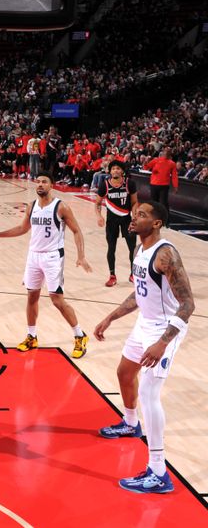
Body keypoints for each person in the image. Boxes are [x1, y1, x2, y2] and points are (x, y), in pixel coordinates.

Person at [94, 202, 195, 493]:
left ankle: (158, 472)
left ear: (157, 223)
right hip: (144, 323)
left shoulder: (166, 254)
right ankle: (129, 423)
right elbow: (141, 291)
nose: (134, 217)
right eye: (134, 213)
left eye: (142, 215)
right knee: (125, 373)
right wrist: (111, 316)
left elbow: (188, 304)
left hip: (165, 329)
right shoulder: (141, 250)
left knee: (150, 395)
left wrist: (163, 342)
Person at [0, 172, 92, 358]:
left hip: (52, 257)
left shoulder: (61, 207)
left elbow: (77, 231)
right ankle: (32, 336)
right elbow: (22, 228)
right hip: (33, 256)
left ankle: (80, 335)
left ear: (52, 185)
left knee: (57, 300)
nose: (40, 184)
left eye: (44, 182)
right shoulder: (32, 206)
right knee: (32, 297)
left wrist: (81, 256)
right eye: (38, 182)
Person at [95, 160, 138, 287]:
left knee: (132, 248)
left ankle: (133, 274)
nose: (115, 171)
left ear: (122, 171)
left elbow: (135, 202)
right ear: (110, 171)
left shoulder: (130, 184)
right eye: (113, 168)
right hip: (111, 221)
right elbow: (97, 203)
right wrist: (99, 216)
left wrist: (135, 216)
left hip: (127, 220)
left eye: (118, 169)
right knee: (111, 248)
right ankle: (112, 275)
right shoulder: (105, 185)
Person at [144, 150, 178, 226]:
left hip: (164, 186)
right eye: (164, 153)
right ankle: (153, 219)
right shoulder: (156, 160)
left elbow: (174, 176)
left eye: (167, 153)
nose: (165, 154)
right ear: (162, 154)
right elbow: (146, 167)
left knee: (164, 203)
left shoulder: (172, 164)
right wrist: (145, 162)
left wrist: (175, 186)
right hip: (154, 184)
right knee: (153, 203)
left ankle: (166, 221)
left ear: (170, 155)